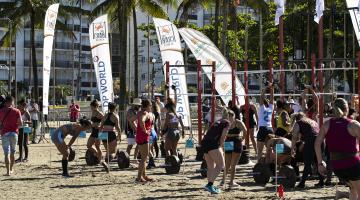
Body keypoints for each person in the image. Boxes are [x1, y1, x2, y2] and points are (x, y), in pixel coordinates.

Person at [315, 98, 360, 199]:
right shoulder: (353, 124)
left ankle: (341, 194)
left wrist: (320, 163)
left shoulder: (327, 125)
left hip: (337, 166)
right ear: (347, 109)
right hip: (353, 165)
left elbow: (317, 144)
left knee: (353, 189)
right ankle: (341, 194)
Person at [291, 112, 324, 188]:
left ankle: (302, 183)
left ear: (297, 118)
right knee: (318, 161)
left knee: (307, 163)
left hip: (311, 141)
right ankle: (321, 181)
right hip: (320, 140)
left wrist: (292, 147)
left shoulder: (298, 122)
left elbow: (294, 136)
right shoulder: (312, 121)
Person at [201, 109, 231, 194]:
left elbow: (209, 132)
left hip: (205, 142)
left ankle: (210, 186)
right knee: (221, 165)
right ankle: (210, 185)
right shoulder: (227, 123)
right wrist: (221, 146)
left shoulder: (217, 121)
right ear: (229, 116)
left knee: (211, 167)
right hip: (212, 143)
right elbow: (223, 136)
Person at [223, 110, 247, 189]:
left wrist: (242, 138)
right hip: (231, 141)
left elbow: (245, 130)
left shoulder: (237, 122)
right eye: (228, 117)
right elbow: (245, 131)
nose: (229, 119)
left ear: (233, 116)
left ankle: (228, 181)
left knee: (231, 164)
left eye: (230, 117)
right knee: (229, 164)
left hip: (233, 141)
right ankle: (227, 181)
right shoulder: (229, 122)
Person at [0, 96, 22, 176]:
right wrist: (17, 127)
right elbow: (21, 123)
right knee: (12, 153)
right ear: (12, 102)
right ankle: (11, 169)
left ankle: (8, 172)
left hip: (4, 133)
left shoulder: (1, 111)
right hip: (14, 133)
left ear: (5, 103)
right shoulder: (17, 111)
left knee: (6, 154)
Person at [136, 99, 154, 182]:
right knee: (144, 158)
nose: (151, 107)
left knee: (144, 157)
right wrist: (145, 130)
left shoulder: (139, 112)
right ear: (147, 106)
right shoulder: (145, 113)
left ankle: (144, 176)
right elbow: (142, 120)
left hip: (139, 136)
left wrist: (136, 128)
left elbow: (130, 119)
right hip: (143, 136)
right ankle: (139, 177)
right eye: (150, 105)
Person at [257, 84, 274, 160]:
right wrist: (272, 89)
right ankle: (270, 163)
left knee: (260, 151)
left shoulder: (261, 108)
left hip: (263, 129)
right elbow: (272, 98)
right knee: (270, 149)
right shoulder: (271, 108)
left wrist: (266, 87)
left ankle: (258, 165)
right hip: (270, 129)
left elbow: (261, 97)